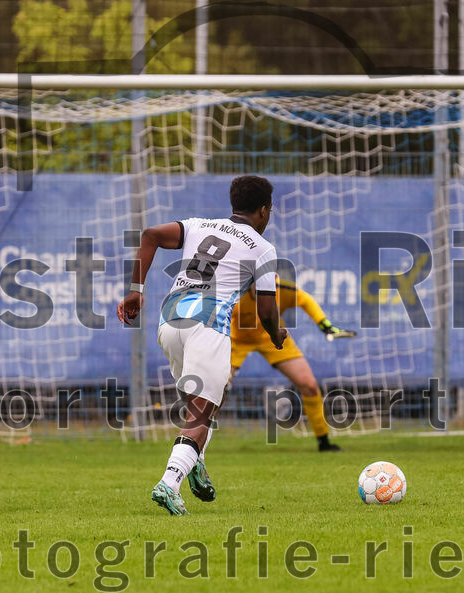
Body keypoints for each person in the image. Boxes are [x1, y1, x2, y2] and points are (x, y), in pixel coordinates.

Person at [117, 175, 286, 515]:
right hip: (208, 324)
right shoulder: (263, 248)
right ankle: (169, 482)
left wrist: (136, 290)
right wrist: (276, 333)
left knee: (201, 404)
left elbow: (150, 235)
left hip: (170, 319)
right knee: (201, 413)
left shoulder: (198, 225)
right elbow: (266, 310)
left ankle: (197, 460)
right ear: (264, 210)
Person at [229, 277, 355, 451]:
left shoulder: (282, 289)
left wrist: (324, 324)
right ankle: (197, 445)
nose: (264, 283)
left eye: (269, 278)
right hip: (236, 339)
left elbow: (305, 299)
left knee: (309, 385)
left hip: (273, 337)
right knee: (218, 388)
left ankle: (324, 442)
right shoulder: (235, 292)